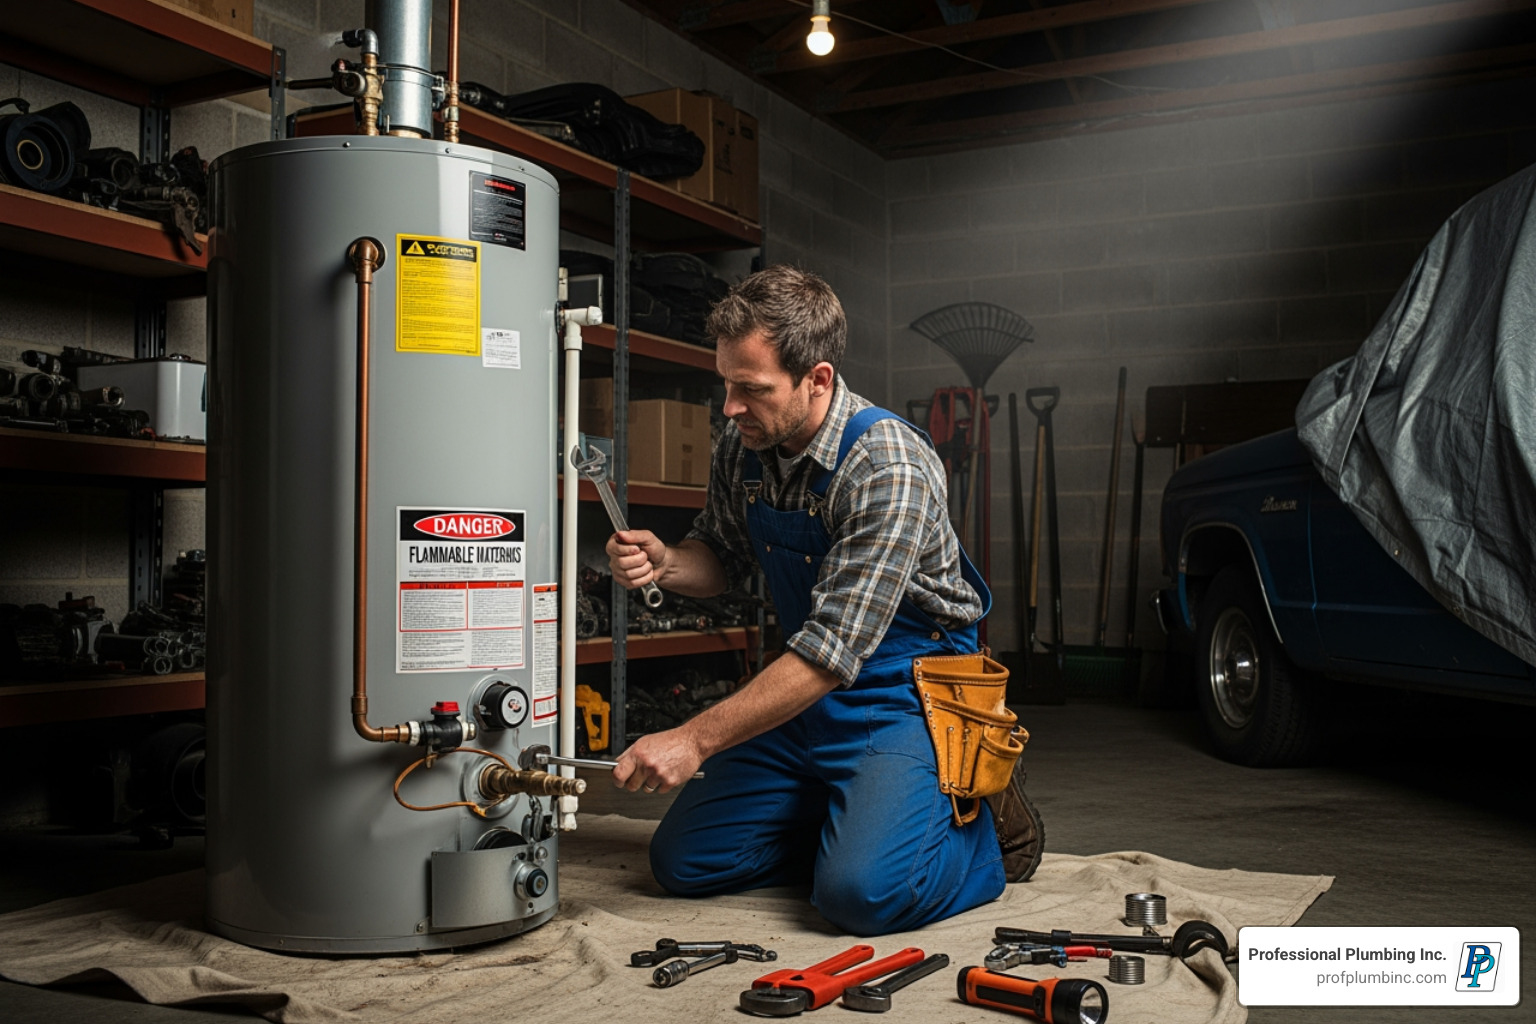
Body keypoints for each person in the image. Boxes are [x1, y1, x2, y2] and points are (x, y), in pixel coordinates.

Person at [605, 264, 1043, 936]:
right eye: (726, 386)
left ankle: (975, 838)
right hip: (804, 694)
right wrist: (666, 563)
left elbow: (828, 654)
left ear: (818, 380)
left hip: (906, 696)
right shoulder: (744, 439)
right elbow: (719, 556)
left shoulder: (886, 464)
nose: (730, 409)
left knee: (859, 898)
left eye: (751, 390)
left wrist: (693, 739)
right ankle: (857, 817)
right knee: (684, 863)